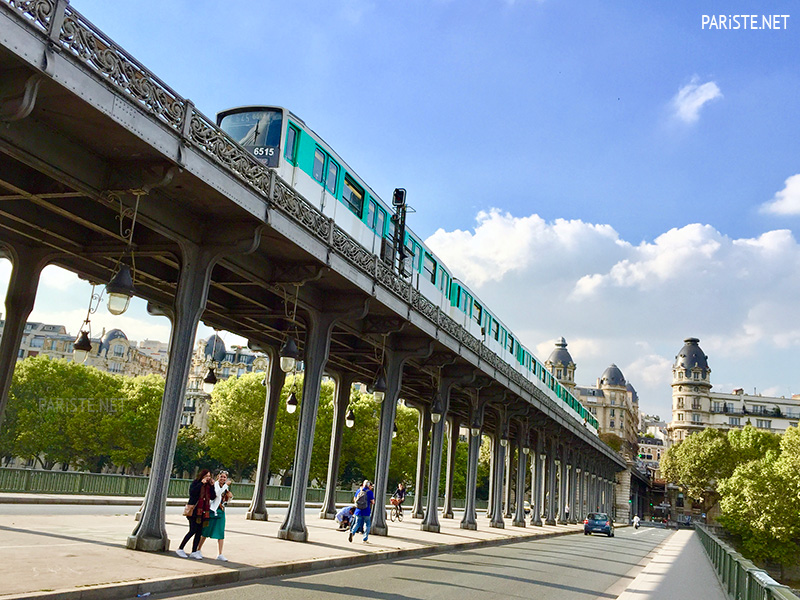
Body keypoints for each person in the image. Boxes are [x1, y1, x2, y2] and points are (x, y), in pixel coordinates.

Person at [176, 469, 216, 559]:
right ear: (202, 476)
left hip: (203, 512)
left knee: (199, 532)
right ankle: (180, 548)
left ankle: (194, 551)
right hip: (194, 511)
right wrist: (201, 483)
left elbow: (212, 497)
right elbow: (192, 493)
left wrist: (212, 486)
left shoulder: (208, 486)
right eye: (206, 476)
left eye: (209, 476)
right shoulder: (196, 483)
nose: (208, 478)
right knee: (192, 530)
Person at [197, 470, 232, 561]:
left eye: (224, 477)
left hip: (221, 511)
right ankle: (198, 549)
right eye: (221, 477)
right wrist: (226, 485)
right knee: (205, 531)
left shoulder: (225, 487)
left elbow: (225, 499)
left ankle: (220, 554)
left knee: (221, 532)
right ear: (218, 477)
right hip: (212, 510)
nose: (223, 479)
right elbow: (217, 493)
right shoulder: (215, 485)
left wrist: (229, 497)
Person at [349, 479, 375, 544]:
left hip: (358, 510)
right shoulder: (369, 492)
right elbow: (373, 502)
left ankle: (352, 532)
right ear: (368, 485)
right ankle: (365, 539)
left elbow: (355, 499)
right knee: (367, 524)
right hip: (366, 510)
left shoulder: (358, 491)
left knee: (357, 523)